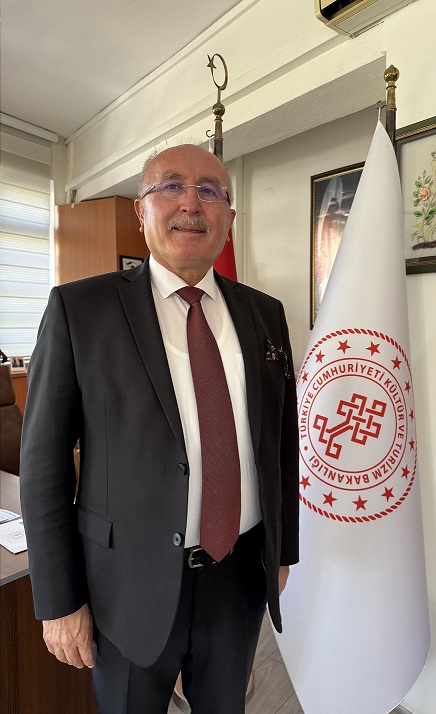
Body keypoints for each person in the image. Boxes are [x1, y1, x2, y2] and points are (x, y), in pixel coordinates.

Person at [19, 144, 299, 714]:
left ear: (229, 217)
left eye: (209, 191)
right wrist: (58, 599)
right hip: (126, 582)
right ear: (141, 211)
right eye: (171, 186)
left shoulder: (264, 312)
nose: (191, 204)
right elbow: (43, 462)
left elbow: (281, 441)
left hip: (239, 576)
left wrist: (282, 549)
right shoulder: (81, 309)